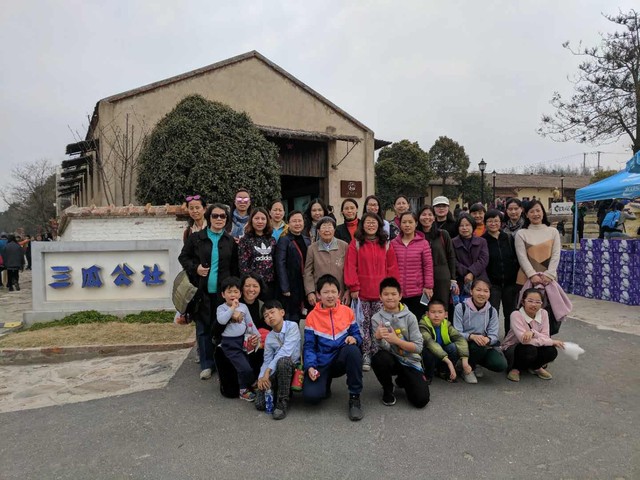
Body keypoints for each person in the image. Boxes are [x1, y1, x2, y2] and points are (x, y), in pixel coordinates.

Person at [178, 203, 238, 380]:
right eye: (215, 216)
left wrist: (234, 290)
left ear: (226, 220)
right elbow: (183, 257)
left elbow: (235, 268)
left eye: (222, 216)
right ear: (209, 217)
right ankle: (206, 364)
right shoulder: (196, 238)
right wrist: (195, 268)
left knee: (220, 326)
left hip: (222, 293)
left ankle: (221, 361)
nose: (219, 219)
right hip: (202, 292)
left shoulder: (230, 241)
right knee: (203, 328)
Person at [303, 274, 364, 421]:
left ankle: (354, 397)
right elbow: (309, 346)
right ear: (318, 295)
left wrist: (354, 339)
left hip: (340, 359)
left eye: (333, 292)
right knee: (311, 397)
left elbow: (357, 335)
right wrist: (310, 366)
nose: (330, 296)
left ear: (339, 293)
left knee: (353, 350)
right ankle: (325, 383)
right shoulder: (311, 317)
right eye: (325, 292)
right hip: (322, 361)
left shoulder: (347, 312)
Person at [344, 212, 400, 371]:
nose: (370, 225)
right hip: (361, 293)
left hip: (381, 294)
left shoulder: (386, 244)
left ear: (379, 225)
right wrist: (353, 287)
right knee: (363, 324)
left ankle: (377, 353)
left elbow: (392, 267)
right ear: (362, 225)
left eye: (374, 222)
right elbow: (350, 266)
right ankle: (366, 354)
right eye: (367, 222)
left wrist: (391, 289)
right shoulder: (356, 243)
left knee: (379, 324)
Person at [371, 277, 430, 408]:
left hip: (410, 361)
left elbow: (418, 348)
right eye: (386, 294)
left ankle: (403, 379)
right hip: (393, 359)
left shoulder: (410, 317)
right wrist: (379, 338)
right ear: (380, 297)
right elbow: (385, 348)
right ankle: (388, 389)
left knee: (421, 400)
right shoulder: (376, 318)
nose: (390, 297)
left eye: (393, 294)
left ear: (400, 296)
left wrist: (396, 340)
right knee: (378, 358)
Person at [514, 200, 564, 333]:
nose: (535, 214)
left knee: (547, 315)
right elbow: (522, 257)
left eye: (538, 210)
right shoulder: (521, 233)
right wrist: (532, 275)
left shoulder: (553, 232)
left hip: (548, 281)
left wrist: (549, 274)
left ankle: (545, 340)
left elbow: (556, 255)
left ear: (543, 212)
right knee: (526, 315)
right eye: (532, 211)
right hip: (526, 279)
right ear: (526, 215)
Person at [502, 288, 565, 382]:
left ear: (542, 304)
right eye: (530, 301)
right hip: (513, 347)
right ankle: (515, 368)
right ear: (523, 302)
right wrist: (551, 342)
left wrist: (533, 333)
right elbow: (524, 340)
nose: (534, 304)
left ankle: (535, 367)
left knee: (551, 351)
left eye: (538, 302)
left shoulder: (544, 313)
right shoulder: (516, 315)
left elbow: (546, 336)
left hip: (533, 346)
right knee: (529, 349)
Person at [216, 276, 261, 401]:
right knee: (244, 368)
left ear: (240, 294)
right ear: (223, 294)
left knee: (246, 365)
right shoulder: (221, 308)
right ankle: (243, 389)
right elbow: (221, 320)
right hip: (229, 343)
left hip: (243, 340)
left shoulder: (243, 307)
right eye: (229, 292)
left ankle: (249, 384)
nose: (232, 295)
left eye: (235, 292)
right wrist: (232, 308)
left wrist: (257, 336)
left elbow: (250, 323)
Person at [255, 300, 301, 419]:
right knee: (260, 404)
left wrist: (268, 371)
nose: (270, 316)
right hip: (275, 370)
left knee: (283, 361)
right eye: (266, 315)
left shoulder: (292, 326)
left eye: (272, 312)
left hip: (292, 367)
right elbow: (267, 360)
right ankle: (280, 389)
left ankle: (282, 403)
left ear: (282, 312)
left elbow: (286, 351)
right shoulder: (269, 337)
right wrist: (261, 377)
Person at [453, 279, 508, 379]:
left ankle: (475, 363)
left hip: (482, 345)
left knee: (500, 364)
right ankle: (467, 369)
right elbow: (456, 332)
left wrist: (488, 339)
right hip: (464, 344)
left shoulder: (492, 311)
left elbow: (494, 335)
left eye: (486, 291)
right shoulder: (461, 307)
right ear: (471, 291)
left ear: (489, 294)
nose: (482, 294)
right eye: (478, 290)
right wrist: (471, 336)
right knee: (477, 346)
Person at [420, 299, 474, 383]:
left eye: (440, 312)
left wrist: (465, 360)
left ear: (445, 314)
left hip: (441, 355)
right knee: (427, 351)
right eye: (433, 312)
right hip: (430, 356)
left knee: (453, 347)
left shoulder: (446, 324)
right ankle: (428, 375)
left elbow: (460, 339)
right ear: (427, 314)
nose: (436, 315)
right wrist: (449, 363)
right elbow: (431, 343)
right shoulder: (422, 325)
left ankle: (443, 371)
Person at [483, 209, 519, 333]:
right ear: (485, 223)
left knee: (511, 313)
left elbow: (516, 258)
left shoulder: (508, 238)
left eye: (496, 221)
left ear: (501, 223)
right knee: (492, 313)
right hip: (492, 284)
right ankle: (492, 337)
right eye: (490, 221)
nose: (493, 224)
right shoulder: (483, 240)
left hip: (510, 283)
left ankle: (510, 338)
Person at [392, 211, 434, 319]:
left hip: (418, 291)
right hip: (398, 292)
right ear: (400, 224)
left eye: (410, 222)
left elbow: (428, 266)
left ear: (416, 224)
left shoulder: (423, 243)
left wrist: (428, 286)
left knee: (418, 320)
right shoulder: (393, 243)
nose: (407, 225)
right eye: (404, 222)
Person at [417, 205, 458, 308]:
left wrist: (453, 279)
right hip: (421, 277)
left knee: (441, 307)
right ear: (419, 217)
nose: (427, 217)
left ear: (434, 217)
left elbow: (451, 256)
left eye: (430, 214)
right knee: (424, 307)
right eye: (424, 214)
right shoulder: (415, 236)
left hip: (441, 277)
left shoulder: (443, 234)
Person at [303, 216, 349, 307]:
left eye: (329, 227)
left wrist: (348, 290)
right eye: (324, 227)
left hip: (340, 292)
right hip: (320, 293)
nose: (327, 230)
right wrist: (310, 292)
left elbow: (349, 270)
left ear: (334, 230)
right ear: (318, 231)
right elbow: (308, 272)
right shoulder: (312, 248)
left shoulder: (344, 246)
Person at [275, 210, 311, 322]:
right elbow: (280, 264)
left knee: (306, 315)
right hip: (291, 284)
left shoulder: (307, 240)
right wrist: (285, 287)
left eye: (299, 221)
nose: (297, 223)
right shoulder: (284, 240)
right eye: (294, 221)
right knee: (292, 315)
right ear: (288, 223)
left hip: (304, 283)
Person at [238, 207, 277, 298]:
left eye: (263, 219)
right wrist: (250, 283)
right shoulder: (245, 240)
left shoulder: (271, 240)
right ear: (251, 220)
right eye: (256, 218)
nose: (260, 221)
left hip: (270, 283)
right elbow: (243, 266)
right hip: (253, 286)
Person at [452, 214, 489, 297]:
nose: (464, 228)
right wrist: (466, 273)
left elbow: (484, 259)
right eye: (461, 226)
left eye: (467, 225)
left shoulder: (482, 241)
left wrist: (472, 273)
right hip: (461, 280)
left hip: (480, 279)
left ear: (473, 226)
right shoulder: (452, 242)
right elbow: (453, 260)